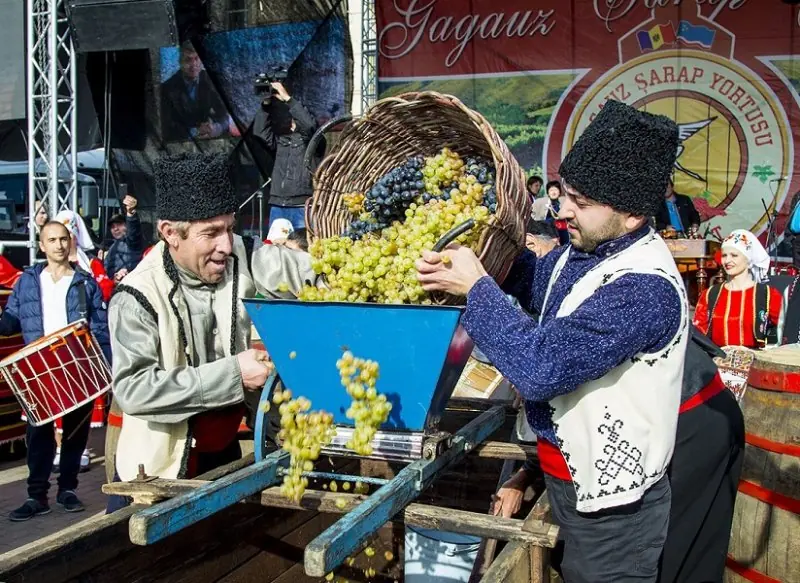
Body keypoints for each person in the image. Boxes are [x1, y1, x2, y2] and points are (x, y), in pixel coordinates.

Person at [416, 100, 688, 582]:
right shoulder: (584, 252)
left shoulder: (645, 289)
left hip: (615, 516)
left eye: (580, 202)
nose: (563, 211)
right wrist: (483, 254)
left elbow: (541, 368)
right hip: (564, 480)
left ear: (631, 215)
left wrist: (476, 288)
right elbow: (535, 279)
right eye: (566, 194)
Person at [106, 152, 315, 512]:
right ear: (170, 233)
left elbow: (310, 271)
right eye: (211, 233)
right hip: (158, 471)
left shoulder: (241, 255)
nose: (226, 244)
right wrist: (234, 373)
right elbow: (135, 389)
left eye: (230, 228)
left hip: (222, 454)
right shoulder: (136, 296)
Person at [492, 327, 744, 583]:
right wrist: (524, 476)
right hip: (688, 407)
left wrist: (527, 473)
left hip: (687, 419)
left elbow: (567, 416)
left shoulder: (554, 345)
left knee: (674, 553)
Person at [1, 221, 110, 521]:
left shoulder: (86, 283)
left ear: (70, 242)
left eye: (63, 239)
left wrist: (108, 367)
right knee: (38, 435)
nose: (59, 245)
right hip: (38, 369)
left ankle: (68, 490)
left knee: (75, 433)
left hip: (76, 367)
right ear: (41, 245)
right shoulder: (27, 281)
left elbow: (101, 330)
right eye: (52, 240)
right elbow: (10, 319)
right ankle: (37, 496)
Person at [693, 229, 782, 349]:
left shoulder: (767, 294)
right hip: (717, 358)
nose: (727, 261)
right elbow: (697, 335)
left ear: (748, 259)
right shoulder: (710, 294)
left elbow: (786, 331)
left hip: (756, 358)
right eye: (724, 255)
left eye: (734, 255)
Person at [253, 80, 318, 229]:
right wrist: (266, 105)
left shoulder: (315, 142)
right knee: (276, 244)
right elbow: (260, 132)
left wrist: (287, 98)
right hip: (278, 204)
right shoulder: (282, 141)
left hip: (302, 206)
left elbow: (308, 126)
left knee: (302, 243)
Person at [160, 42, 232, 142]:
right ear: (180, 62)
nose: (193, 64)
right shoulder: (167, 88)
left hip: (209, 136)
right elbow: (166, 126)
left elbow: (225, 115)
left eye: (197, 59)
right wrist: (195, 131)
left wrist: (216, 128)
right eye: (188, 60)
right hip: (182, 140)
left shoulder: (211, 80)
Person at [104, 194, 145, 283]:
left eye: (119, 224)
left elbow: (133, 231)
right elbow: (107, 272)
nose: (115, 229)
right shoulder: (112, 247)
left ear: (126, 225)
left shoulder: (132, 242)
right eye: (112, 227)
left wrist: (131, 213)